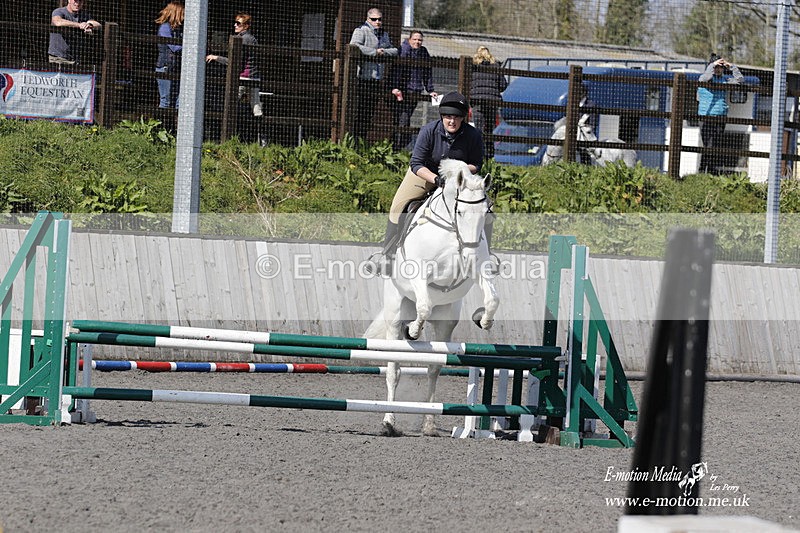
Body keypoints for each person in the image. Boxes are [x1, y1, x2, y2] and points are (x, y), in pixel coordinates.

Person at [366, 92, 487, 274]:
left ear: (463, 118)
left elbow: (476, 164)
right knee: (398, 206)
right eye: (447, 117)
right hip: (426, 174)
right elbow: (416, 163)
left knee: (484, 209)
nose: (451, 121)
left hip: (458, 178)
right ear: (442, 117)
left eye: (456, 117)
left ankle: (487, 257)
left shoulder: (473, 135)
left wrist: (457, 173)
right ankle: (388, 255)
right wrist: (437, 180)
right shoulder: (429, 131)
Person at [349, 7, 398, 141]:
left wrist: (384, 52)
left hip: (377, 80)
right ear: (368, 19)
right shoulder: (361, 30)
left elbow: (394, 50)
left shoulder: (384, 34)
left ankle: (362, 141)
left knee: (370, 112)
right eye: (374, 19)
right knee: (360, 112)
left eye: (379, 19)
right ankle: (355, 141)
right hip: (364, 78)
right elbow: (354, 46)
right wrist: (374, 52)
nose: (377, 22)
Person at [206, 12, 262, 117]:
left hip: (243, 77)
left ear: (246, 26)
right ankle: (259, 131)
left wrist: (216, 57)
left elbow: (234, 61)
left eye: (238, 23)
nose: (235, 25)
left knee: (230, 105)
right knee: (256, 108)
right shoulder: (252, 39)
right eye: (235, 23)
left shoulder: (242, 39)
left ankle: (228, 130)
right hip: (254, 77)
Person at [389, 30, 437, 151]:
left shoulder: (423, 52)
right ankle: (397, 146)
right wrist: (395, 87)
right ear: (409, 39)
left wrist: (430, 90)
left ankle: (399, 146)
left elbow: (427, 73)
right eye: (415, 39)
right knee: (402, 118)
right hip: (402, 90)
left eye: (420, 40)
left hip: (415, 90)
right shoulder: (403, 50)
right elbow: (397, 71)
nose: (417, 42)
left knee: (406, 117)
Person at [697, 53, 743, 174]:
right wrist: (712, 65)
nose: (718, 69)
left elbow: (739, 80)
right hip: (706, 117)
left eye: (720, 67)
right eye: (716, 67)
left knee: (716, 145)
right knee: (708, 144)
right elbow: (706, 78)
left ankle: (709, 171)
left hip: (721, 117)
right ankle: (704, 170)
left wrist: (731, 66)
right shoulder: (703, 78)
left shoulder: (725, 80)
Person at [469, 46, 508, 158]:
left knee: (478, 129)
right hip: (492, 102)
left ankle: (477, 155)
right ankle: (489, 156)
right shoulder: (496, 66)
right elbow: (503, 85)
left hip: (477, 101)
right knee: (489, 130)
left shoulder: (473, 67)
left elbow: (467, 82)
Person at [48, 0, 101, 65]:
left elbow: (98, 25)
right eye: (75, 1)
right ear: (69, 0)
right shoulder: (59, 11)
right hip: (58, 58)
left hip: (76, 59)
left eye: (80, 1)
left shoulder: (84, 15)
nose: (78, 3)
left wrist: (89, 25)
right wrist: (79, 25)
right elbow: (57, 22)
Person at [154, 2, 184, 109]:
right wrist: (191, 46)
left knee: (179, 101)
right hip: (165, 67)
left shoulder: (179, 30)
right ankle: (162, 125)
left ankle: (177, 125)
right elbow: (174, 47)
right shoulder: (165, 28)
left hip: (176, 69)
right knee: (165, 101)